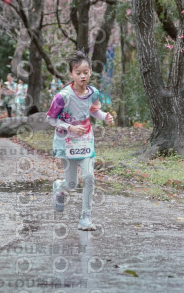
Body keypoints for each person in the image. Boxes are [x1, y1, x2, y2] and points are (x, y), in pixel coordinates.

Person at [46, 51, 113, 231]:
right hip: (67, 142)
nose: (83, 76)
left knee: (89, 177)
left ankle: (85, 217)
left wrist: (105, 116)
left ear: (90, 72)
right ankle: (60, 187)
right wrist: (70, 127)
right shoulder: (63, 97)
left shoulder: (93, 93)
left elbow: (94, 110)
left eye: (85, 72)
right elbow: (50, 119)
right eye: (78, 73)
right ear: (71, 74)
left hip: (85, 140)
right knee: (71, 184)